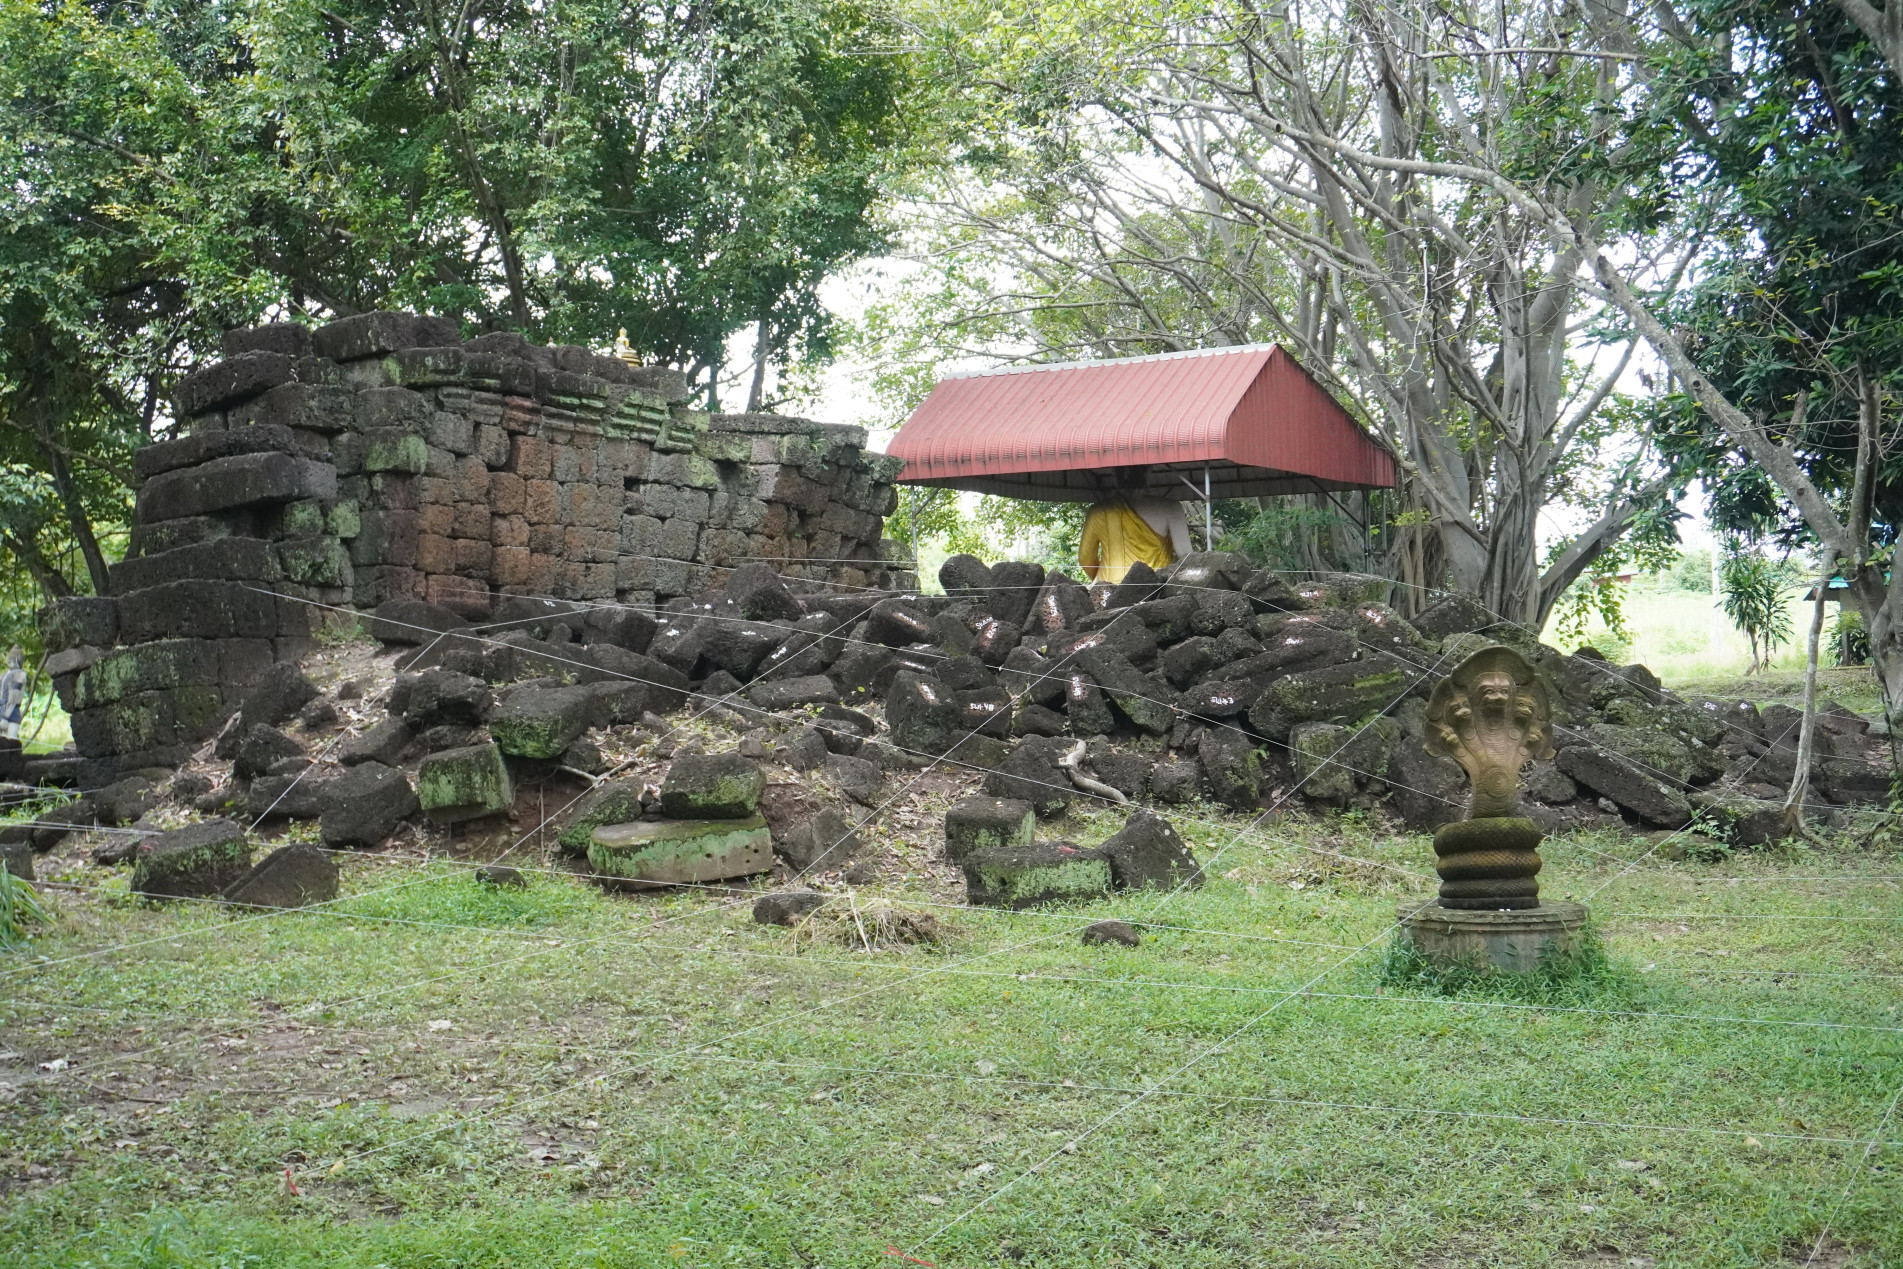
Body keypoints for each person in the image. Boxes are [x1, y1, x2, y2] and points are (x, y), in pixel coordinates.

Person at [1078, 494, 1193, 583]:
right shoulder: (1170, 507)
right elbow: (1185, 554)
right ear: (1149, 471)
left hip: (1108, 587)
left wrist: (1100, 580)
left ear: (1113, 474)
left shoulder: (1099, 510)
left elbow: (1085, 558)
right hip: (1156, 587)